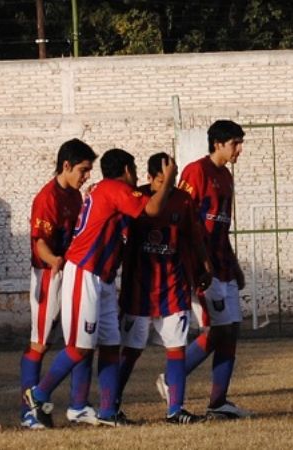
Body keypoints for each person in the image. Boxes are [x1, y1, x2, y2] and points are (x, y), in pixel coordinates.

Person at [23, 148, 176, 427]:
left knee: (109, 345)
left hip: (102, 277)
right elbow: (152, 208)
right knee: (79, 347)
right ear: (127, 170)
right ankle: (38, 394)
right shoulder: (114, 188)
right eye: (135, 170)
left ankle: (107, 411)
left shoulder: (107, 190)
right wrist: (168, 180)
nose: (137, 177)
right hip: (85, 271)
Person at [157, 120, 251, 419]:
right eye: (235, 143)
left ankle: (218, 402)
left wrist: (234, 264)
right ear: (218, 144)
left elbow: (222, 226)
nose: (240, 149)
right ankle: (172, 378)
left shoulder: (226, 177)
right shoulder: (196, 172)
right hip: (202, 265)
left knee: (231, 330)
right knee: (218, 329)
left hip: (223, 263)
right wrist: (195, 263)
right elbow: (182, 217)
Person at [116, 152, 213, 424]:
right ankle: (111, 407)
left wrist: (205, 266)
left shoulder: (183, 201)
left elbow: (195, 237)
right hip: (139, 290)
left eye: (171, 179)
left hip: (173, 287)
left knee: (177, 347)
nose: (167, 185)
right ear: (149, 178)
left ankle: (175, 410)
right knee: (131, 350)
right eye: (162, 181)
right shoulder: (136, 198)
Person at [20, 139, 98, 429]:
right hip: (48, 276)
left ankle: (79, 405)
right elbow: (39, 242)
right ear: (66, 165)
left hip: (72, 274)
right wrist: (54, 261)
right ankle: (29, 412)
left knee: (81, 339)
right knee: (39, 343)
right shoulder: (47, 197)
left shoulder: (75, 196)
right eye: (83, 170)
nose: (86, 175)